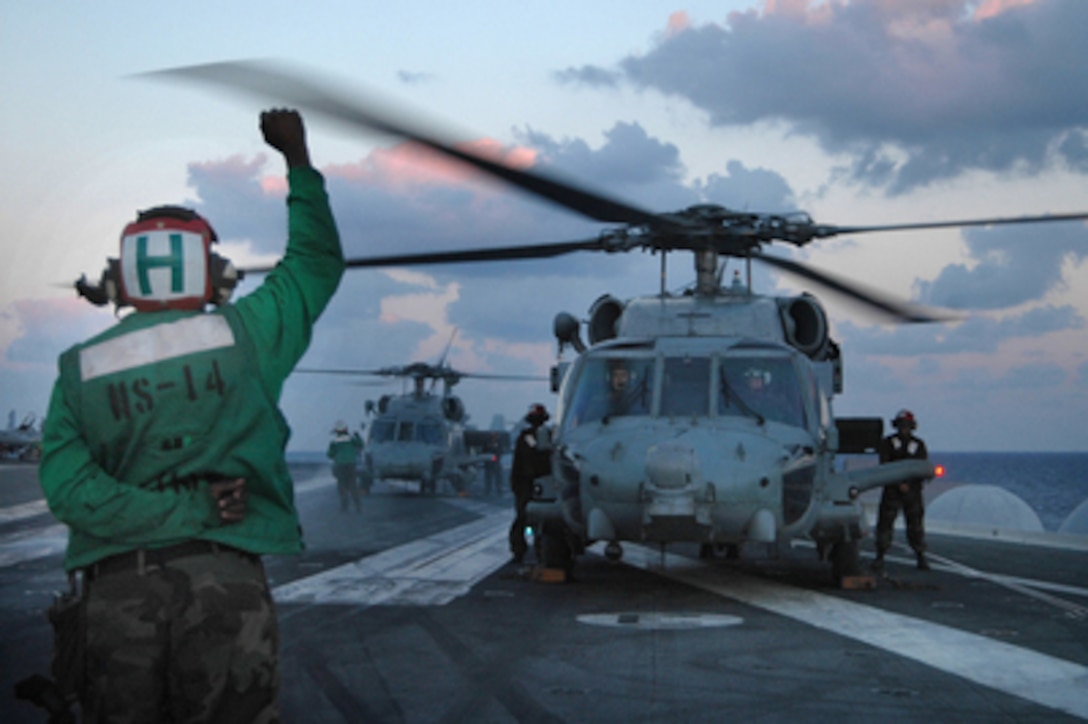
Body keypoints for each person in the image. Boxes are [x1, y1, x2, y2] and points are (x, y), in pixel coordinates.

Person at [38, 108, 344, 723]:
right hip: (223, 586)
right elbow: (315, 262)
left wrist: (169, 509)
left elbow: (70, 490)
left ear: (126, 276)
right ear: (208, 271)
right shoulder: (249, 334)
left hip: (116, 593)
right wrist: (297, 159)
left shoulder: (80, 368)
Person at [872, 409, 931, 572]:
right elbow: (885, 465)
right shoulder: (888, 443)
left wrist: (909, 484)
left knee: (916, 525)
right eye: (901, 425)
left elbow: (921, 467)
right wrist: (898, 483)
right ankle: (880, 555)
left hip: (913, 492)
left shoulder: (918, 445)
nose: (904, 428)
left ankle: (920, 555)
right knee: (885, 524)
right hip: (892, 491)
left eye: (906, 425)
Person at [509, 403, 552, 565]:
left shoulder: (528, 437)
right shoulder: (546, 436)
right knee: (534, 519)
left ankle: (521, 550)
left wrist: (515, 484)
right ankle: (533, 549)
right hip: (536, 482)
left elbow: (518, 462)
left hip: (530, 482)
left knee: (524, 518)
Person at [328, 421, 364, 511]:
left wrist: (337, 455)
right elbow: (361, 444)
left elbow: (330, 454)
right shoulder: (351, 439)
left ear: (336, 431)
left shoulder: (334, 442)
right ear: (346, 430)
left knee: (342, 485)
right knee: (353, 485)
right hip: (351, 464)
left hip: (340, 465)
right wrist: (357, 436)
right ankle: (358, 506)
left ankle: (344, 506)